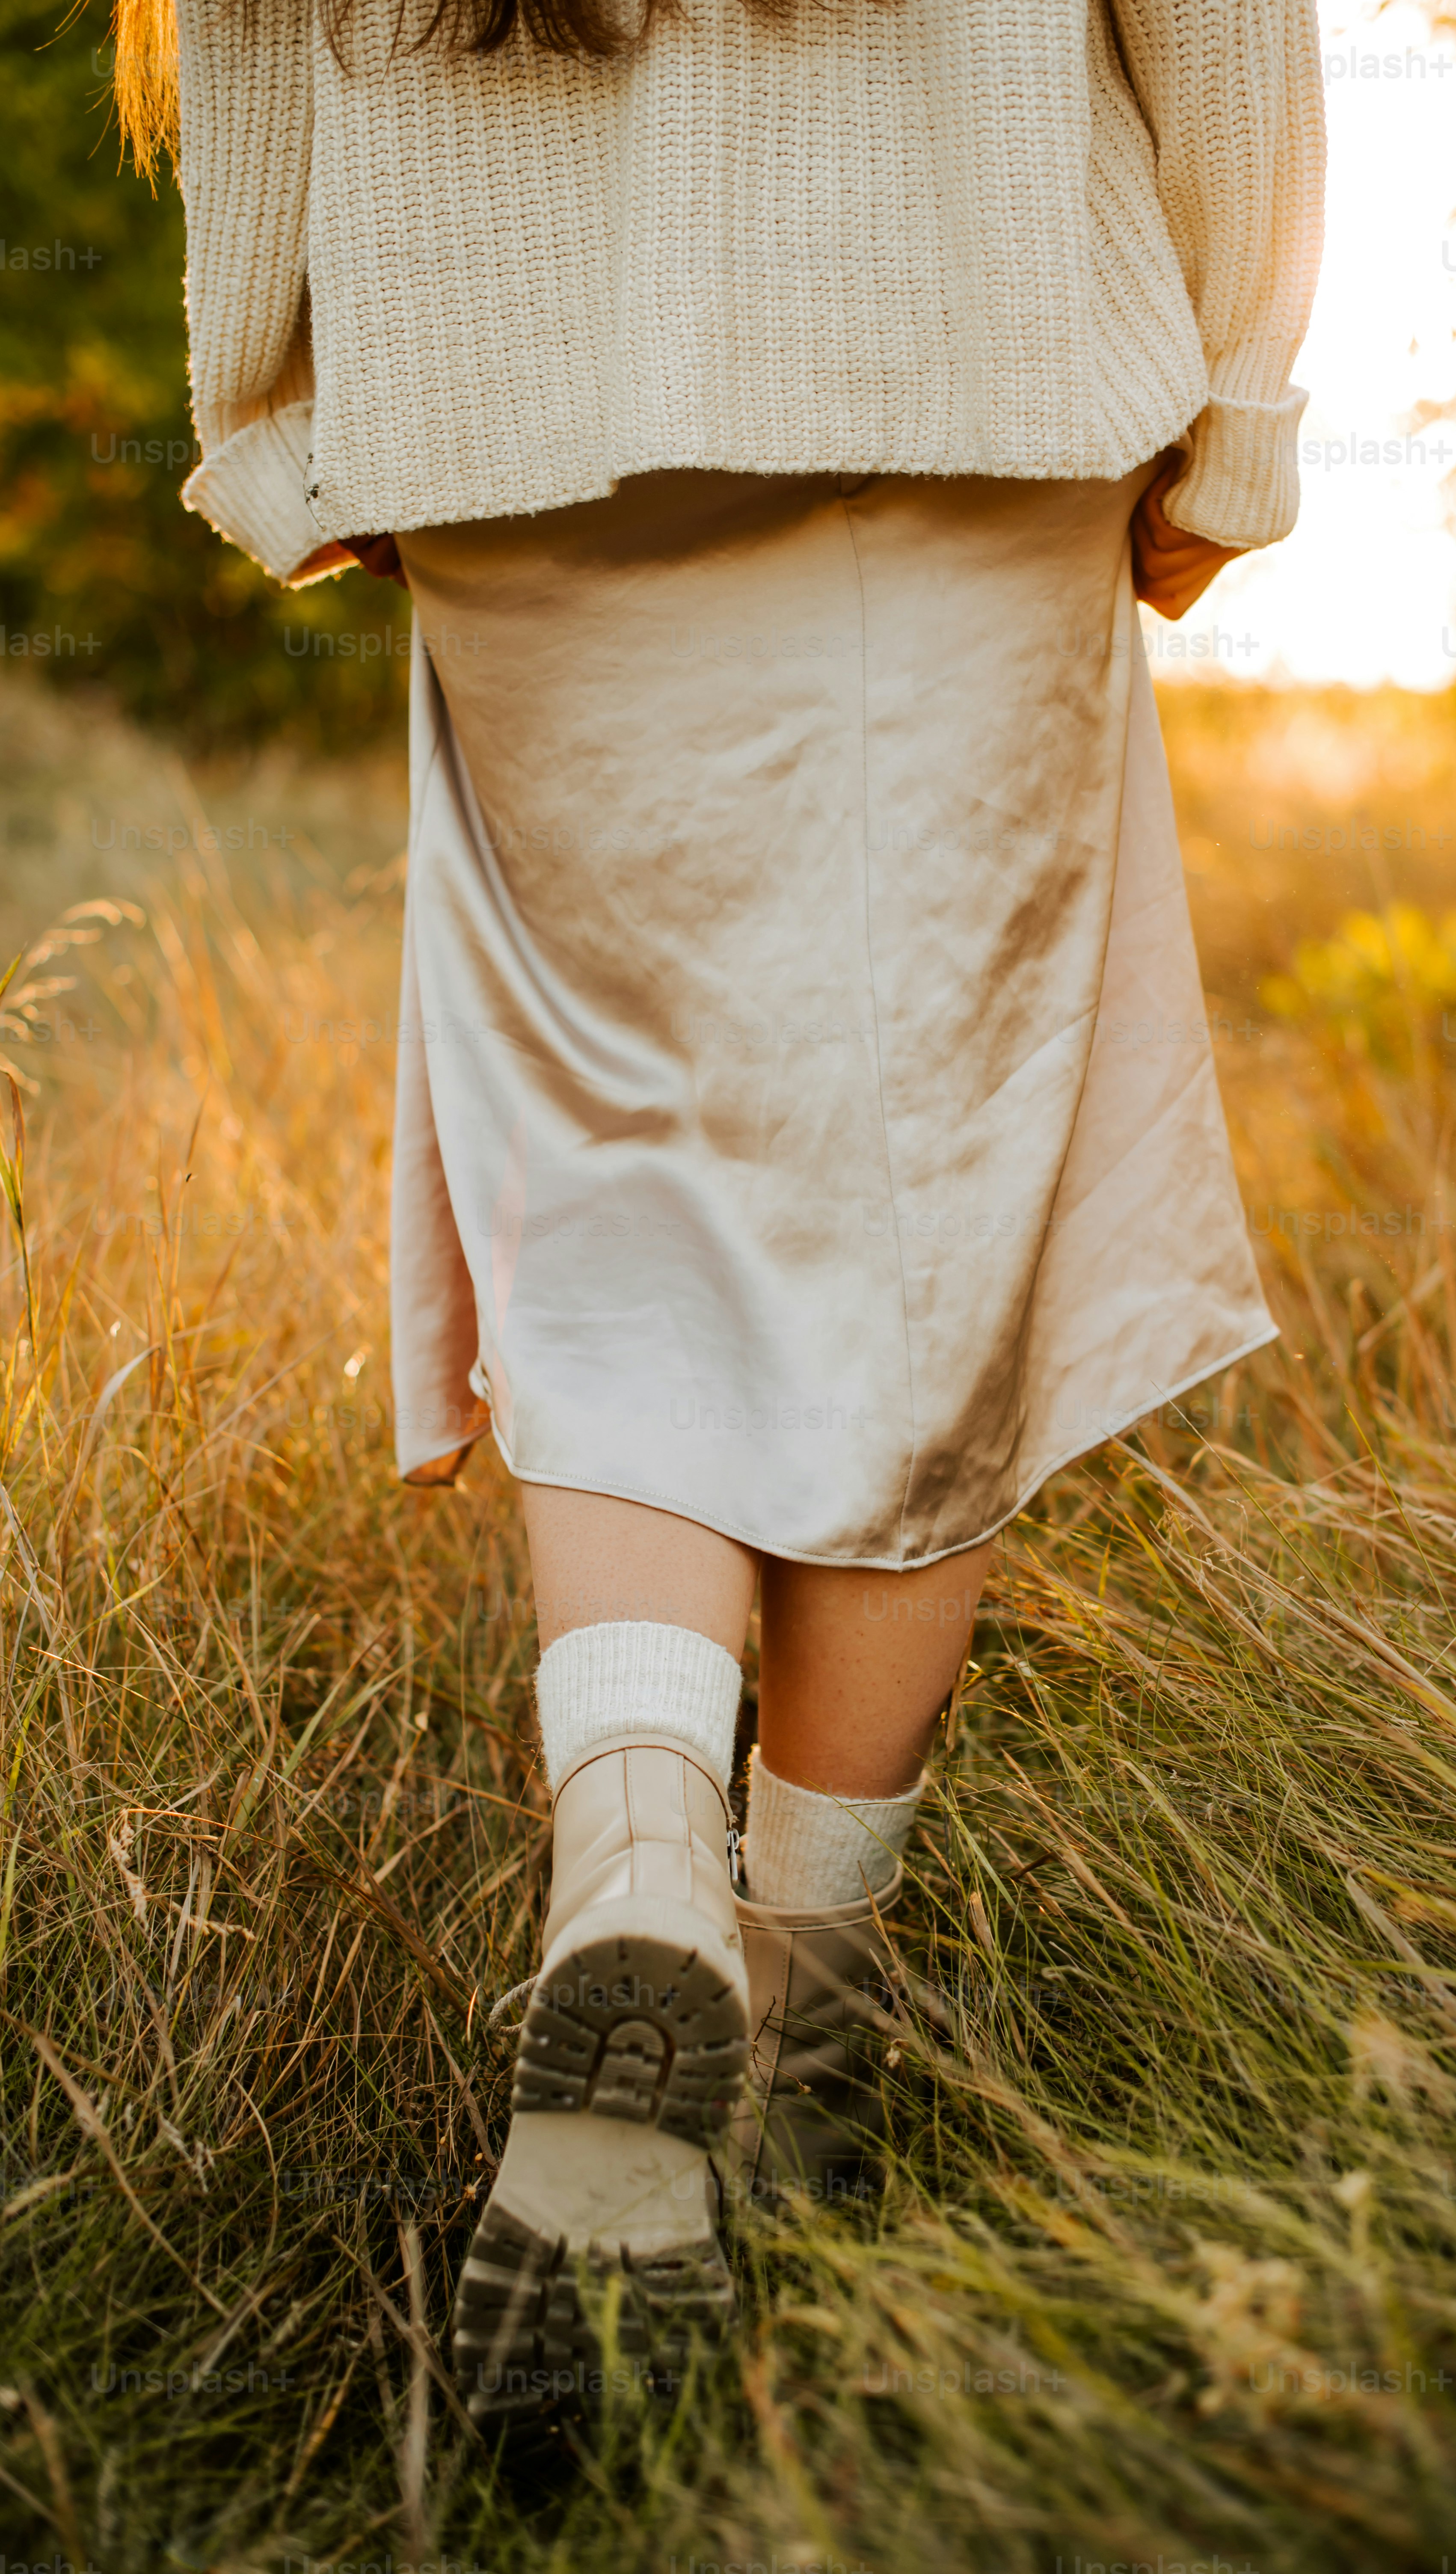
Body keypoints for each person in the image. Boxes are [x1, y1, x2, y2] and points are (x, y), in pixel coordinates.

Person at [135, 0, 1323, 2437]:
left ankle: (640, 1860)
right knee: (923, 1213)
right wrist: (1242, 398)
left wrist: (270, 412)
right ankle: (805, 2027)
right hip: (966, 337)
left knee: (611, 1168)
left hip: (515, 408)